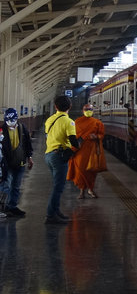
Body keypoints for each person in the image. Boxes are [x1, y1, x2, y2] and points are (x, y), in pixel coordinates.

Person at [44, 95, 80, 224]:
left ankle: (56, 211)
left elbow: (48, 136)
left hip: (48, 155)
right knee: (58, 187)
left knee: (56, 185)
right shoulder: (69, 122)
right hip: (59, 157)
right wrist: (74, 150)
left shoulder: (49, 120)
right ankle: (50, 215)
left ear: (55, 107)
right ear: (70, 107)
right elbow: (74, 142)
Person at [1, 108, 34, 218]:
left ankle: (12, 207)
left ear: (16, 119)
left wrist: (29, 157)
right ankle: (3, 207)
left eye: (13, 120)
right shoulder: (1, 130)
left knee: (16, 186)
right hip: (6, 163)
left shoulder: (22, 127)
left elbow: (28, 143)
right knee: (6, 185)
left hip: (20, 162)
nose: (11, 122)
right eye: (8, 120)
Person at [67, 103, 105, 199]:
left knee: (91, 171)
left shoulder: (97, 122)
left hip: (92, 150)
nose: (88, 111)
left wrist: (96, 136)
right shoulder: (77, 122)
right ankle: (81, 191)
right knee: (80, 171)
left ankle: (90, 189)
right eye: (87, 109)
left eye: (90, 109)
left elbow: (101, 135)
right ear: (83, 111)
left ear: (93, 111)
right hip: (80, 150)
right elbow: (73, 135)